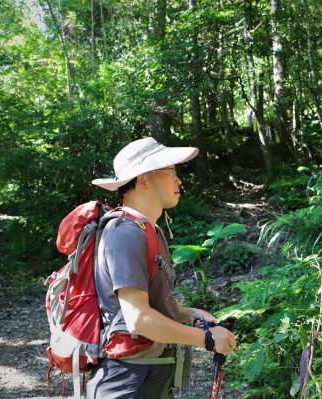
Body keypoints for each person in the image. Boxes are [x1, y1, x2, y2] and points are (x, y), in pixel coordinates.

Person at [86, 137, 236, 399]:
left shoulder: (147, 230)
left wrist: (190, 314)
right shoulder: (125, 232)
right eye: (169, 171)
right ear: (143, 179)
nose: (178, 180)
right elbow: (138, 319)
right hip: (128, 381)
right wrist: (206, 340)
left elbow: (142, 307)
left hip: (147, 376)